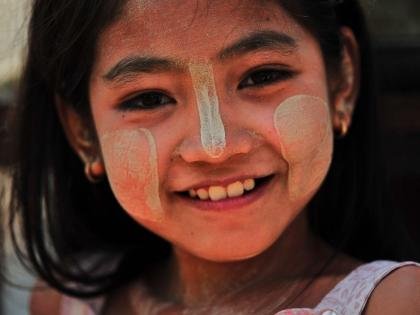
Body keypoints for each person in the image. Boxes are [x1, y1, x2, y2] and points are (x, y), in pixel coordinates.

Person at [8, 0, 420, 314]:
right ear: (83, 131)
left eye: (262, 76)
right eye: (149, 98)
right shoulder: (65, 304)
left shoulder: (395, 302)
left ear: (341, 80)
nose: (215, 146)